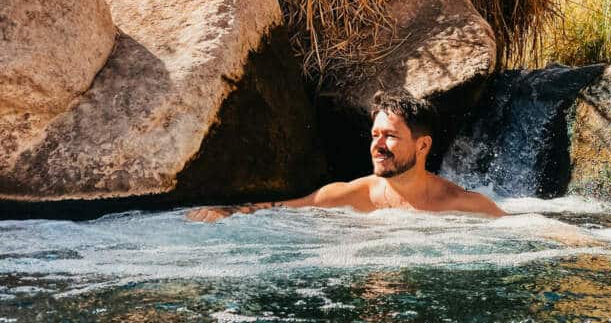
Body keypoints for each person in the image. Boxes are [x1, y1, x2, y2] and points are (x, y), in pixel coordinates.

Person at [187, 91, 506, 221]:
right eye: (375, 135)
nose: (378, 146)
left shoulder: (461, 204)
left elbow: (520, 228)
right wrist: (225, 212)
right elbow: (281, 209)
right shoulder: (351, 195)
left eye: (390, 136)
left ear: (422, 146)